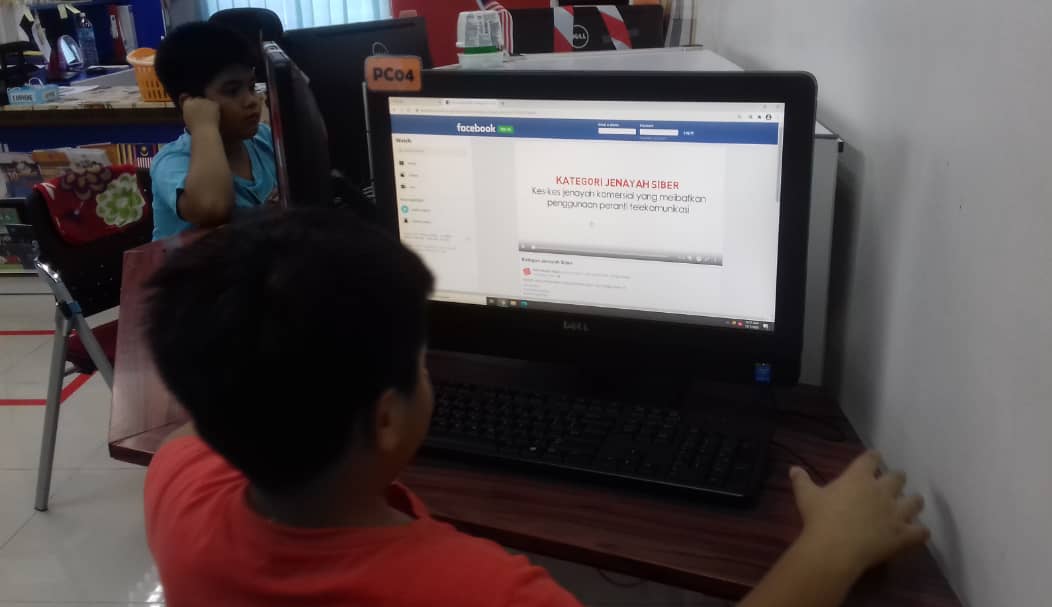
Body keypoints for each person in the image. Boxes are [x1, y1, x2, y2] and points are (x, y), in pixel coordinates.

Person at [143, 208, 930, 607]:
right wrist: (831, 548)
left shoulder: (176, 488)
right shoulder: (484, 592)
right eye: (422, 359)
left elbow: (205, 416)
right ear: (385, 417)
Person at [149, 22, 278, 241]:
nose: (251, 101)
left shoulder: (263, 139)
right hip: (194, 263)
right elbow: (212, 207)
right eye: (232, 91)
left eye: (251, 87)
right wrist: (204, 126)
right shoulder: (171, 162)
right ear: (191, 103)